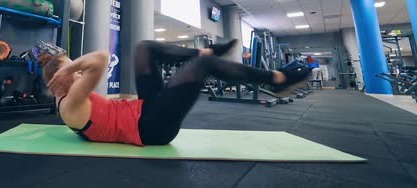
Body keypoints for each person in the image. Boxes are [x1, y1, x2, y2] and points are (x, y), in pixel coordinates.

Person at [43, 40, 310, 147]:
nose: (78, 72)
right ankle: (277, 79)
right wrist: (71, 67)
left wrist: (63, 64)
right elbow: (101, 58)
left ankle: (202, 53)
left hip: (143, 110)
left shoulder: (65, 95)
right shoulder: (70, 104)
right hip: (151, 129)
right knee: (203, 68)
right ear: (60, 81)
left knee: (143, 49)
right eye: (73, 71)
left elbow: (86, 65)